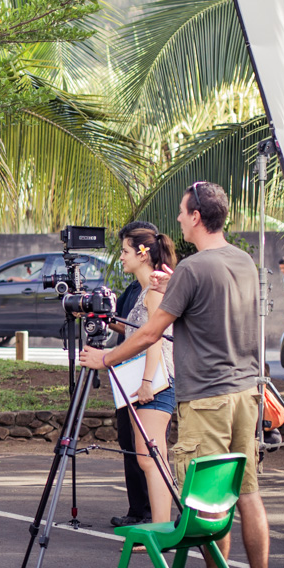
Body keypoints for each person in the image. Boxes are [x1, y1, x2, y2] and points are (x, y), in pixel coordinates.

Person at [82, 181, 276, 568]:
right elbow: (207, 303)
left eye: (182, 212)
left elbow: (151, 333)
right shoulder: (242, 262)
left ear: (196, 216)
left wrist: (105, 358)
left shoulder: (191, 269)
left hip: (207, 398)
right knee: (247, 495)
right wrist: (174, 284)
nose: (177, 219)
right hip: (246, 393)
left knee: (208, 501)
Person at [109, 224, 177, 528]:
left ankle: (161, 527)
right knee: (148, 459)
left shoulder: (153, 293)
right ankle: (160, 525)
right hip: (143, 382)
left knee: (152, 459)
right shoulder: (143, 292)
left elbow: (155, 339)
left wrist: (148, 382)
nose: (121, 257)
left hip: (156, 383)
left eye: (125, 251)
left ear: (142, 253)